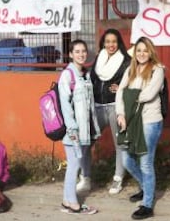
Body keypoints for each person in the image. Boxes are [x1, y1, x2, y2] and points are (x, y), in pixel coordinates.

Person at [115, 36, 165, 220]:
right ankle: (146, 186)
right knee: (127, 160)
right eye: (139, 51)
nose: (142, 54)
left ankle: (147, 204)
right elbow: (120, 92)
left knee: (145, 162)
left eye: (145, 50)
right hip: (129, 120)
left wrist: (131, 96)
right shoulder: (130, 70)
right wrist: (121, 113)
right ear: (135, 53)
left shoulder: (157, 70)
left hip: (149, 121)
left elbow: (149, 94)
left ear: (150, 52)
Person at [59, 39, 100, 215]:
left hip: (84, 130)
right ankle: (73, 203)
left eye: (83, 51)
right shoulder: (67, 75)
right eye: (77, 51)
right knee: (74, 166)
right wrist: (72, 128)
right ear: (70, 54)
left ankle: (67, 199)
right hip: (73, 130)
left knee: (74, 165)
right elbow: (65, 105)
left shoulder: (85, 74)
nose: (81, 54)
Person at [87, 29, 131, 195]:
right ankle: (85, 176)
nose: (111, 45)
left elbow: (134, 83)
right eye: (107, 41)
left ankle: (118, 179)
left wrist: (122, 89)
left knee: (120, 144)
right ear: (103, 43)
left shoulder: (127, 61)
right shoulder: (99, 58)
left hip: (115, 107)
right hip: (97, 107)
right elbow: (92, 79)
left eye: (114, 41)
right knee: (87, 141)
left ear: (118, 42)